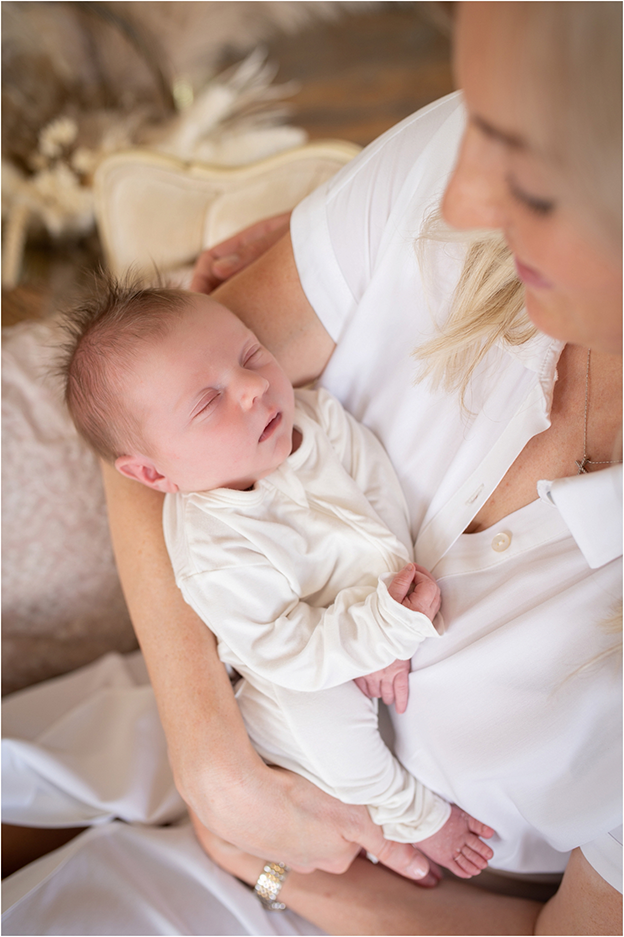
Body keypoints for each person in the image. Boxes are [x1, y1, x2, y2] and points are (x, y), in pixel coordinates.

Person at [2, 2, 621, 934]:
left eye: (527, 167)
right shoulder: (455, 163)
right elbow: (151, 420)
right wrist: (211, 759)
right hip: (204, 719)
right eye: (475, 121)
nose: (459, 207)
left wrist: (273, 868)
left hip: (376, 896)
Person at [61, 282, 494, 877]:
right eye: (207, 402)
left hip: (362, 621)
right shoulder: (212, 550)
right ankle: (409, 814)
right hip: (284, 677)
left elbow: (381, 501)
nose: (253, 386)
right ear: (154, 474)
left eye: (251, 354)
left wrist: (385, 621)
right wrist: (378, 636)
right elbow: (286, 648)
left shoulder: (318, 420)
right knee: (320, 720)